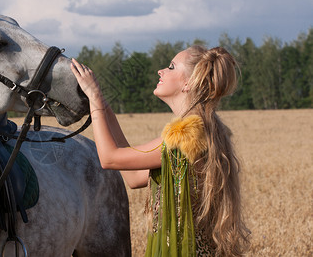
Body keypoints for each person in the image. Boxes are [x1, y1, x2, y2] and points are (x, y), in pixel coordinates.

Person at [70, 46, 250, 256]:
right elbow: (135, 177)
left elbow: (109, 158)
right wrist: (101, 102)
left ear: (188, 83)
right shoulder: (206, 128)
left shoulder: (184, 135)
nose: (161, 71)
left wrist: (93, 97)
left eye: (171, 67)